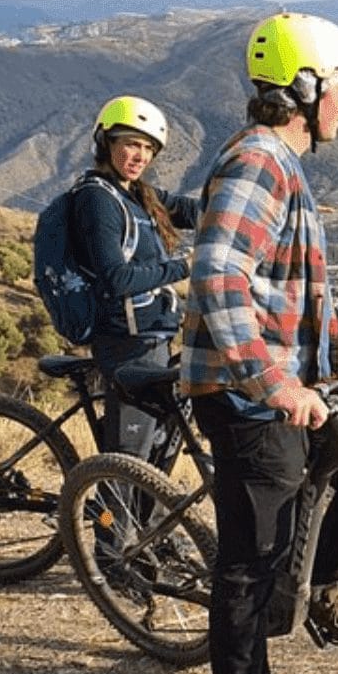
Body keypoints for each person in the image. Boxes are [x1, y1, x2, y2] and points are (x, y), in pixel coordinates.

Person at [181, 12, 338, 674]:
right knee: (248, 562)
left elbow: (280, 290)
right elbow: (218, 277)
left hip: (286, 386)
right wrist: (274, 384)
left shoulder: (281, 163)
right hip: (249, 400)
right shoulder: (259, 165)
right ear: (306, 89)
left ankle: (306, 593)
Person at [74, 95, 199, 463]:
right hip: (126, 342)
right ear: (106, 143)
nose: (140, 156)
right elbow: (115, 278)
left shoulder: (137, 194)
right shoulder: (98, 200)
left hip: (152, 337)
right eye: (131, 144)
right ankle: (105, 503)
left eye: (148, 148)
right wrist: (184, 267)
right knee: (129, 459)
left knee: (155, 450)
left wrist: (263, 207)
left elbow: (192, 210)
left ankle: (142, 505)